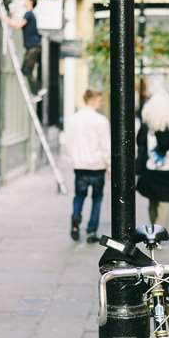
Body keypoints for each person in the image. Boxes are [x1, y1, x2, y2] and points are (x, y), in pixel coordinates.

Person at [136, 90, 169, 231]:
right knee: (165, 205)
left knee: (152, 202)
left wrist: (138, 169)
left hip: (150, 172)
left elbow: (140, 146)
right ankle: (158, 233)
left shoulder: (147, 128)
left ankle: (154, 230)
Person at [64, 90, 110, 244]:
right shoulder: (101, 121)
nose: (101, 102)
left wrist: (74, 158)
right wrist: (109, 165)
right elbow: (105, 146)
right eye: (100, 99)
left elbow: (68, 143)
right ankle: (91, 231)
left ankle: (76, 220)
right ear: (92, 99)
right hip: (97, 166)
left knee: (79, 196)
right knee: (97, 199)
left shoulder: (73, 120)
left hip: (80, 166)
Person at [1, 0, 46, 100]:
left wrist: (5, 19)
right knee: (24, 70)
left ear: (30, 2)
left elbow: (17, 25)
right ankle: (38, 90)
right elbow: (18, 22)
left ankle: (37, 92)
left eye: (26, 0)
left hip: (33, 48)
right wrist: (11, 15)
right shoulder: (30, 15)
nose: (24, 2)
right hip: (33, 47)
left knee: (27, 70)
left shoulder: (29, 14)